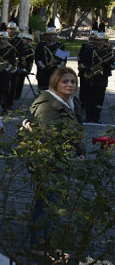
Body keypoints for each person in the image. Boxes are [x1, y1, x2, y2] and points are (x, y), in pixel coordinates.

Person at [28, 67, 84, 253]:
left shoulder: (72, 102)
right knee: (45, 204)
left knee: (55, 204)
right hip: (49, 163)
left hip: (64, 162)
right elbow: (48, 139)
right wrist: (70, 156)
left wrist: (80, 152)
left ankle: (49, 242)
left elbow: (77, 132)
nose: (70, 85)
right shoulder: (48, 105)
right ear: (55, 83)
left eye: (73, 81)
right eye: (65, 81)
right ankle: (38, 246)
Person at [78, 32, 114, 123]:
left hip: (102, 78)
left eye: (101, 40)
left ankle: (96, 117)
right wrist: (87, 69)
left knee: (99, 99)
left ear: (105, 41)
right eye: (97, 40)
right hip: (90, 78)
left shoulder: (109, 51)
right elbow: (81, 61)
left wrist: (107, 66)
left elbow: (113, 64)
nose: (99, 42)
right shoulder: (89, 49)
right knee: (89, 98)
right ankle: (88, 116)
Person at [0, 31, 18, 111]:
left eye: (5, 39)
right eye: (1, 39)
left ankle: (5, 106)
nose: (3, 41)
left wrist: (5, 69)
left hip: (6, 71)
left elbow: (12, 61)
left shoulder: (11, 49)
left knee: (5, 89)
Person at [12, 33, 35, 102]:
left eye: (29, 40)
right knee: (14, 82)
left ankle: (17, 95)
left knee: (20, 82)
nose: (27, 41)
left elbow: (30, 62)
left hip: (24, 67)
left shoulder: (31, 50)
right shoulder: (18, 47)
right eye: (25, 39)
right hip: (16, 66)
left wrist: (28, 70)